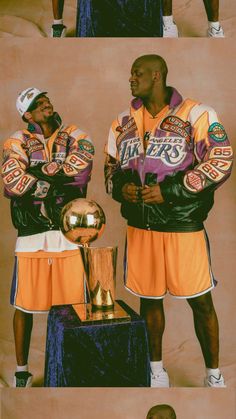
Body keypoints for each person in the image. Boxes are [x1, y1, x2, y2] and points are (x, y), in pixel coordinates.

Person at [105, 54, 233, 387]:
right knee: (148, 301)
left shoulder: (197, 113)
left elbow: (220, 162)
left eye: (138, 73)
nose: (131, 79)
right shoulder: (122, 120)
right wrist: (124, 189)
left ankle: (213, 376)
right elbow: (110, 172)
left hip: (182, 227)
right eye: (131, 73)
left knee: (201, 302)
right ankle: (156, 370)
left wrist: (171, 190)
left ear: (157, 75)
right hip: (141, 228)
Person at [1, 87, 94, 387]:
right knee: (24, 307)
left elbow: (82, 170)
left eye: (46, 100)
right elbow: (11, 179)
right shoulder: (16, 139)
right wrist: (55, 184)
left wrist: (37, 176)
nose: (46, 105)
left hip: (70, 233)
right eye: (38, 104)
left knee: (77, 307)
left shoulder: (75, 133)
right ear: (27, 115)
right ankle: (21, 372)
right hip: (30, 235)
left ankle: (74, 366)